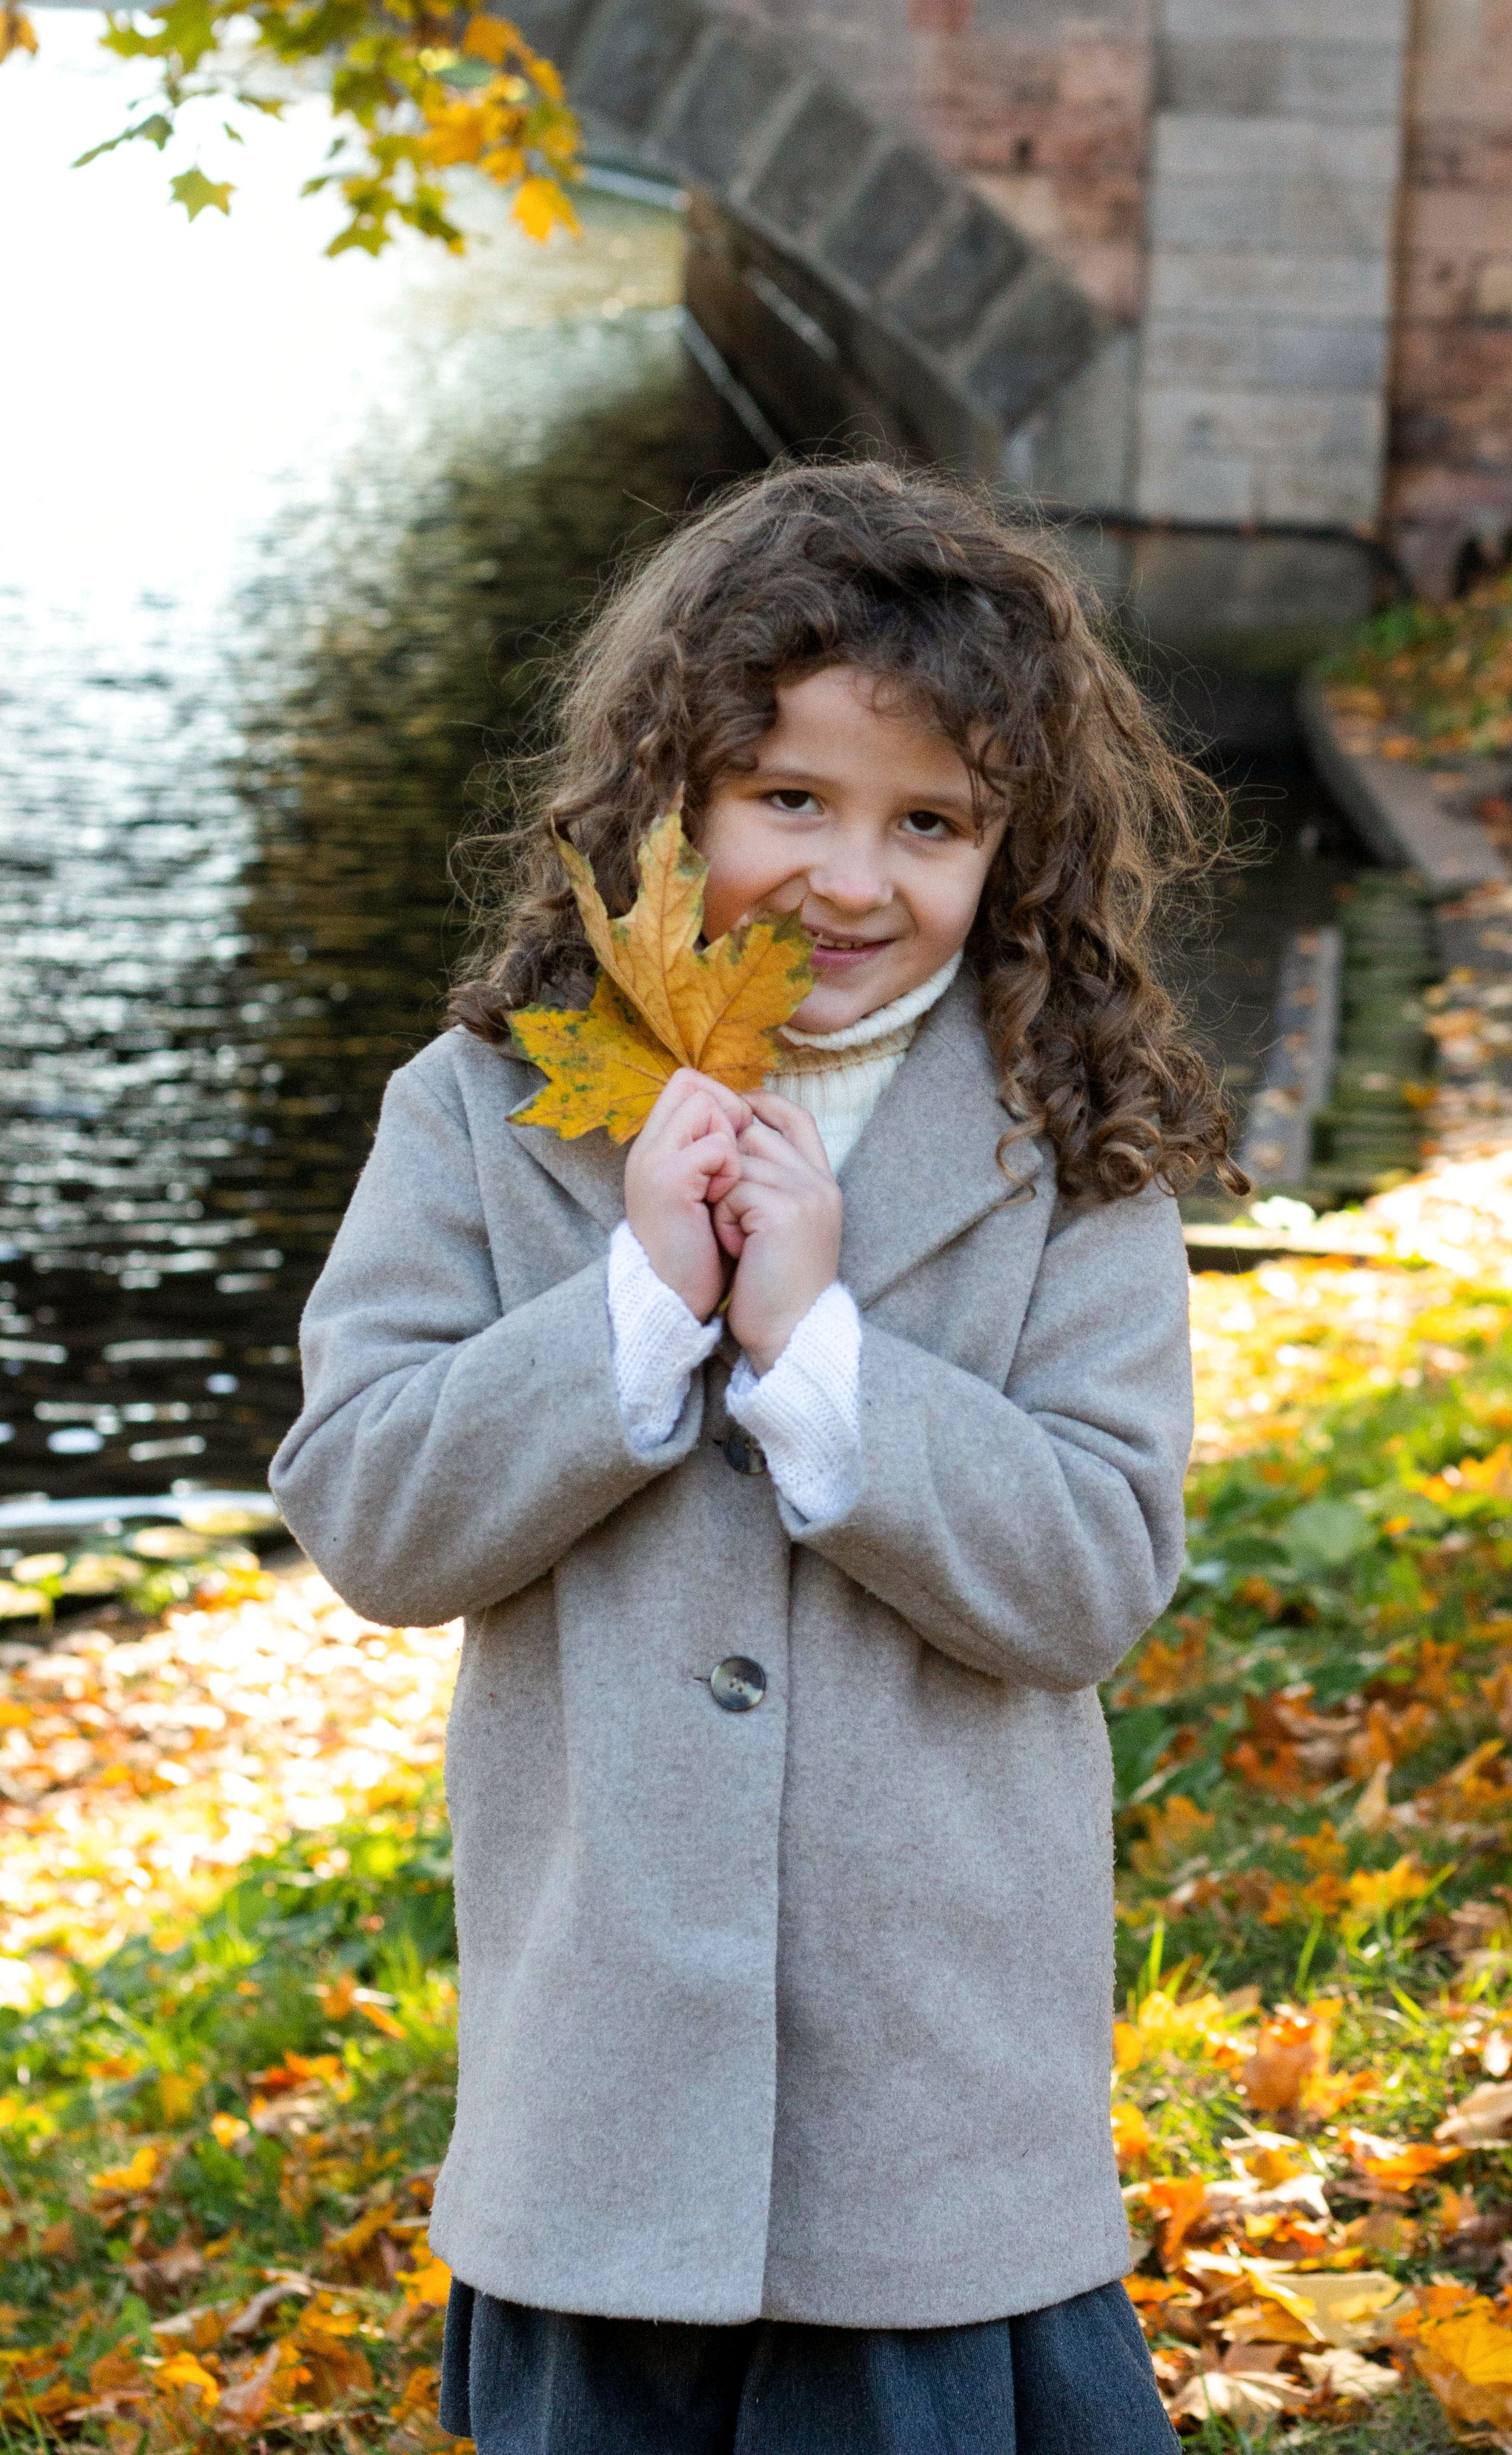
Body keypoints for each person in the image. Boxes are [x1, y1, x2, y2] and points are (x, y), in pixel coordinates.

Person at [271, 460, 1243, 2454]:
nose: (853, 880)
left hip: (933, 2126)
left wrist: (819, 1348)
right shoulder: (484, 1110)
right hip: (599, 2097)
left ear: (1013, 848)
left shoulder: (1076, 1143)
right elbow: (369, 1509)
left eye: (933, 824)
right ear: (670, 797)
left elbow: (1091, 1573)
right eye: (789, 800)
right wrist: (632, 1307)